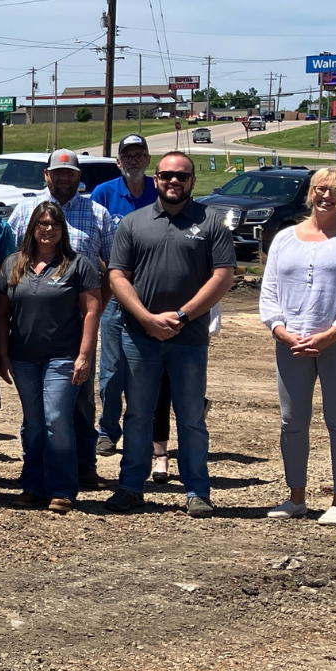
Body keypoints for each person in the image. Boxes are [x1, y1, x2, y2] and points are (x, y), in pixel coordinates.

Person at [105, 151, 236, 516]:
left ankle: (197, 490)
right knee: (137, 415)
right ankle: (131, 487)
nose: (173, 181)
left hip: (188, 338)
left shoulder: (211, 223)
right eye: (166, 176)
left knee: (191, 416)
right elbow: (117, 276)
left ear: (192, 181)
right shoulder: (133, 223)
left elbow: (223, 276)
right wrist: (147, 318)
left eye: (182, 176)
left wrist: (181, 315)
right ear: (156, 179)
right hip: (139, 336)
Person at [258, 167, 336, 526]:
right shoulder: (284, 239)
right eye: (321, 190)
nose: (327, 197)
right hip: (292, 343)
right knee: (292, 421)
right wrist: (280, 330)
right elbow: (269, 292)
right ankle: (296, 497)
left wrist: (332, 333)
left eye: (335, 192)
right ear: (310, 192)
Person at [4, 149, 115, 479]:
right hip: (31, 325)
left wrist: (96, 308)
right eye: (58, 172)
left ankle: (83, 467)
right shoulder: (25, 210)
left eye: (70, 173)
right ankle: (38, 474)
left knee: (79, 400)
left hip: (79, 326)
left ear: (79, 177)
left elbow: (110, 269)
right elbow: (11, 267)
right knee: (37, 410)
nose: (64, 178)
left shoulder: (98, 214)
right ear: (46, 175)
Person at [0, 202, 103, 513]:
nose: (48, 229)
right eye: (42, 223)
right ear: (31, 228)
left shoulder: (77, 265)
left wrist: (84, 355)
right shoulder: (13, 265)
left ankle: (62, 489)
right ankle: (33, 486)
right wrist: (2, 354)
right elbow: (1, 313)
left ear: (63, 230)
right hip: (24, 357)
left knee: (57, 420)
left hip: (63, 357)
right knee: (33, 423)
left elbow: (92, 311)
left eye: (54, 224)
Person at [90, 134, 159, 465]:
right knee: (113, 367)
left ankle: (143, 432)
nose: (133, 160)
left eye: (139, 154)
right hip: (115, 292)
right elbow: (97, 241)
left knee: (148, 368)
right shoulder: (104, 193)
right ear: (118, 161)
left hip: (155, 293)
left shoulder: (158, 192)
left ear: (147, 159)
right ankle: (107, 430)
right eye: (127, 155)